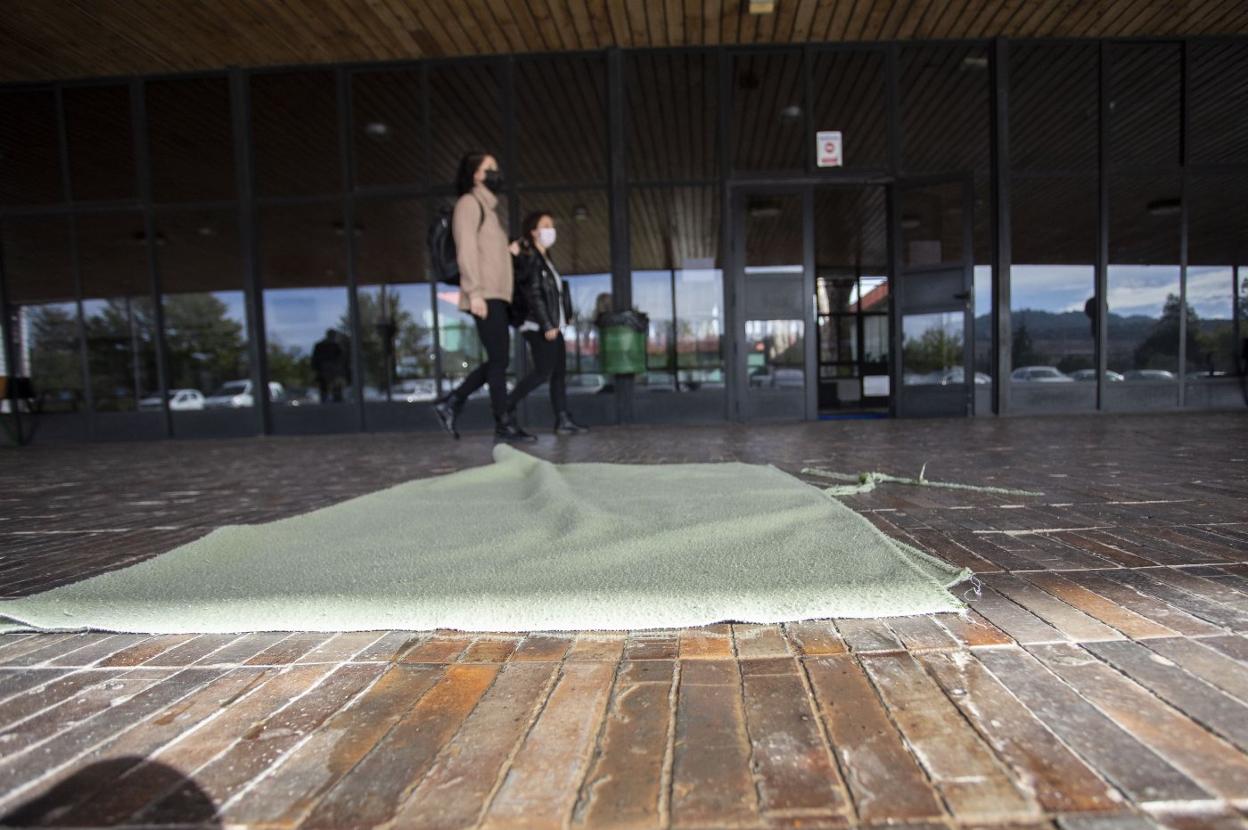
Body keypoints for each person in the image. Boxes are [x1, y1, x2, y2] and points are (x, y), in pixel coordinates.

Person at [432, 152, 536, 443]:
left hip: (496, 295)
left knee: (498, 361)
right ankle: (502, 423)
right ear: (475, 174)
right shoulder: (469, 204)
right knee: (499, 361)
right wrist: (474, 292)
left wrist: (508, 252)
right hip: (484, 295)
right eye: (490, 168)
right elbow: (466, 250)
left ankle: (452, 402)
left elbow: (486, 254)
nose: (496, 173)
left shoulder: (489, 212)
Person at [507, 211, 588, 435]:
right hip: (539, 325)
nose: (551, 229)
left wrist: (564, 315)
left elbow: (554, 293)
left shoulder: (545, 259)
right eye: (545, 225)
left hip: (553, 324)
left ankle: (562, 419)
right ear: (533, 231)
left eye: (552, 225)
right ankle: (505, 407)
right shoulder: (531, 257)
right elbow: (533, 293)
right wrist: (547, 324)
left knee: (559, 372)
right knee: (543, 371)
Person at [310, 329, 347, 403]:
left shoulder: (336, 346)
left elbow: (341, 359)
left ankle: (336, 397)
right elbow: (315, 358)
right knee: (325, 386)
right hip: (325, 369)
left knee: (335, 384)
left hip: (332, 370)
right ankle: (328, 398)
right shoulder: (322, 346)